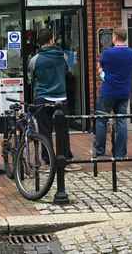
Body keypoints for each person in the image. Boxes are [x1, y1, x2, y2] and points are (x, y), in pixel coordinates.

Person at [28, 28, 81, 171]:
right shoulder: (62, 56)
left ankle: (48, 160)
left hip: (42, 97)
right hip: (61, 98)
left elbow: (31, 77)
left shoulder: (35, 59)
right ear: (52, 40)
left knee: (44, 131)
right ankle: (65, 158)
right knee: (62, 130)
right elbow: (67, 71)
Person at [93, 27, 132, 159]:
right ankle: (120, 153)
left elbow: (101, 70)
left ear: (115, 37)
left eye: (112, 36)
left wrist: (100, 72)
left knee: (101, 120)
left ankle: (100, 152)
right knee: (121, 121)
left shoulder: (107, 53)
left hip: (108, 91)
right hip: (124, 91)